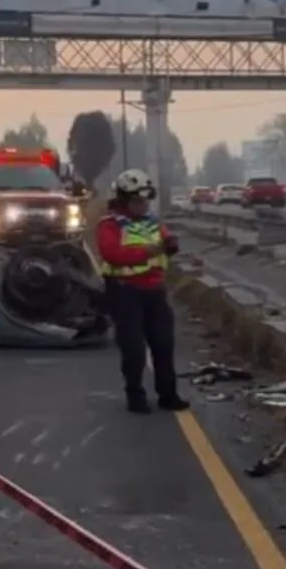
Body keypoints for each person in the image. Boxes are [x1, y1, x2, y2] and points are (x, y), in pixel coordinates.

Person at [96, 168, 190, 414]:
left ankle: (168, 394)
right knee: (134, 348)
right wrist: (145, 253)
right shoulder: (110, 225)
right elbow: (111, 254)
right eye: (137, 201)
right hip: (125, 292)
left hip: (154, 291)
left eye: (145, 200)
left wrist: (170, 245)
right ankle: (135, 395)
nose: (143, 205)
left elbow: (165, 241)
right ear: (124, 200)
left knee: (163, 343)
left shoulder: (153, 222)